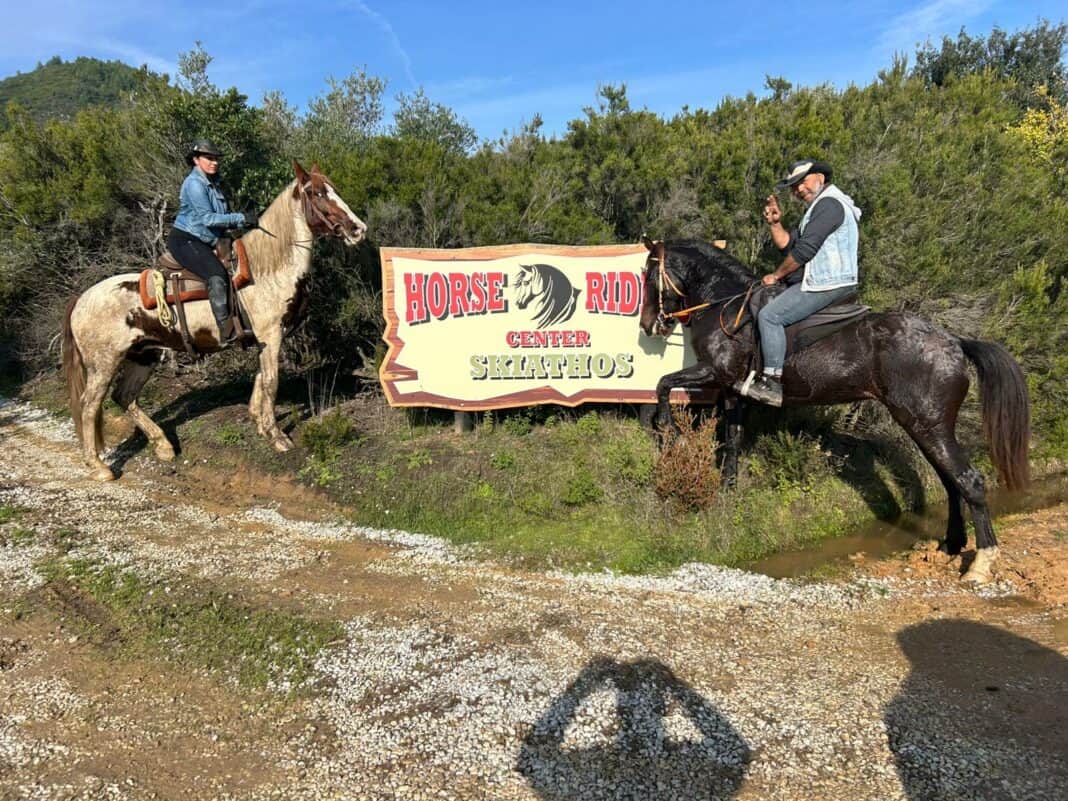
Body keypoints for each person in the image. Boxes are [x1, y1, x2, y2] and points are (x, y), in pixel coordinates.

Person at [744, 159, 862, 406]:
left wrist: (776, 276)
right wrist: (775, 223)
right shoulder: (819, 208)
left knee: (770, 316)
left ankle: (772, 383)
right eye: (794, 187)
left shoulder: (829, 205)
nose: (798, 190)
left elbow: (805, 251)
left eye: (802, 182)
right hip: (821, 280)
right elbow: (789, 245)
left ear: (820, 177)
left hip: (827, 282)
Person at [167, 139, 258, 345]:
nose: (214, 162)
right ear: (196, 160)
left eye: (216, 158)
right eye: (209, 158)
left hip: (207, 239)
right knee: (216, 274)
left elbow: (220, 217)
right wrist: (242, 218)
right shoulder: (194, 184)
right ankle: (226, 331)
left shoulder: (213, 184)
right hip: (186, 240)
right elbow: (208, 219)